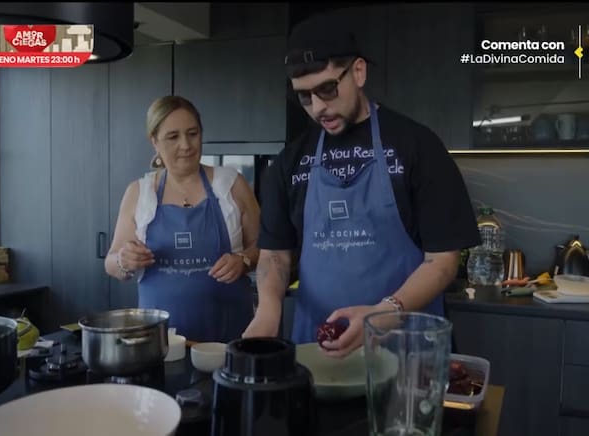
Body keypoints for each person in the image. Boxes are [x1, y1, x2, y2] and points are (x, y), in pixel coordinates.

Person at [242, 16, 482, 358]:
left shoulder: (417, 146)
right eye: (304, 97)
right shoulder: (290, 162)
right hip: (318, 350)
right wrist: (267, 311)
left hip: (406, 353)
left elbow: (443, 261)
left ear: (357, 72)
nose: (318, 107)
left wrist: (385, 312)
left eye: (327, 89)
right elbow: (275, 255)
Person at [106, 95, 261, 343]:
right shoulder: (140, 192)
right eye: (173, 137)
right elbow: (111, 263)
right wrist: (125, 260)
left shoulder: (231, 184)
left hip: (229, 336)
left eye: (193, 133)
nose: (186, 145)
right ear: (154, 141)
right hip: (159, 340)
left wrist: (243, 260)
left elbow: (265, 247)